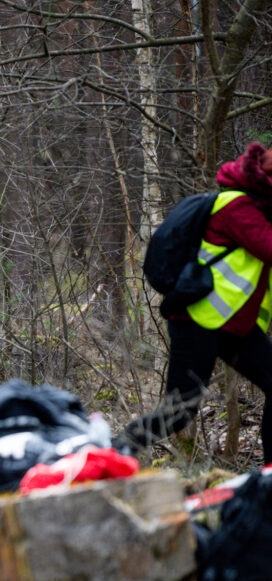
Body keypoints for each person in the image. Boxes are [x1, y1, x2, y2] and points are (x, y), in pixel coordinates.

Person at [115, 142, 272, 463]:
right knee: (178, 413)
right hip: (197, 321)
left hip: (233, 326)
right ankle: (115, 448)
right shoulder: (236, 207)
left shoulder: (257, 210)